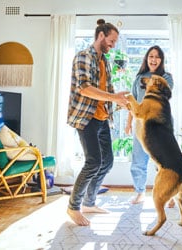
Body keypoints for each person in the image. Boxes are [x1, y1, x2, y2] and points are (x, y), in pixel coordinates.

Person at [67, 19, 129, 226]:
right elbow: (84, 88)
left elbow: (108, 92)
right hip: (86, 118)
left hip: (102, 118)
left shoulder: (105, 61)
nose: (113, 45)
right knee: (93, 161)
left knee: (107, 161)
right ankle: (73, 207)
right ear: (101, 36)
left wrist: (121, 102)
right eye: (111, 41)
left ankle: (89, 202)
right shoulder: (83, 56)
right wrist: (113, 98)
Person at [125, 45, 174, 205]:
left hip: (160, 127)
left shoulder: (166, 78)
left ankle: (169, 193)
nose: (154, 59)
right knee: (138, 160)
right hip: (141, 127)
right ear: (147, 58)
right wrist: (128, 123)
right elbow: (131, 103)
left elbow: (161, 98)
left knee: (164, 161)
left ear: (161, 60)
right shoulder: (139, 78)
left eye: (157, 56)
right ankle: (140, 192)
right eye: (151, 56)